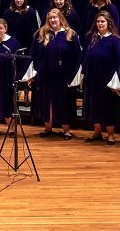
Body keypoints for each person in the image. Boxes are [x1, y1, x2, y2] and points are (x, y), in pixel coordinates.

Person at [26, 9, 81, 140]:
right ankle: (47, 127)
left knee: (64, 102)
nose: (52, 20)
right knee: (47, 101)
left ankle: (66, 130)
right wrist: (35, 72)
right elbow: (33, 54)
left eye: (55, 18)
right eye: (50, 18)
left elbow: (77, 56)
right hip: (45, 75)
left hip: (64, 76)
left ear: (60, 18)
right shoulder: (41, 34)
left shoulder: (70, 34)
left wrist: (73, 75)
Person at [81, 11, 120, 145]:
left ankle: (111, 135)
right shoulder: (91, 37)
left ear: (108, 23)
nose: (100, 24)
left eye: (103, 21)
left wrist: (115, 81)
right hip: (93, 78)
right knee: (94, 105)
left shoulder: (116, 40)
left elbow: (119, 61)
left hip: (108, 80)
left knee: (108, 106)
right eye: (98, 21)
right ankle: (97, 132)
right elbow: (85, 57)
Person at [3, 0, 39, 78]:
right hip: (12, 47)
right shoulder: (8, 13)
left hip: (27, 47)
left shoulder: (31, 12)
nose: (18, 0)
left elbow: (36, 32)